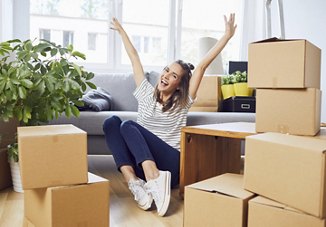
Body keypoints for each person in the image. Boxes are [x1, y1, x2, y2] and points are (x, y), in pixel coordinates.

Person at [103, 14, 237, 216]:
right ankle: (135, 183)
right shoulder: (146, 93)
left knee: (127, 125)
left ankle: (156, 178)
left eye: (173, 75)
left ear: (178, 85)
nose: (166, 76)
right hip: (141, 165)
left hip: (170, 167)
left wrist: (226, 36)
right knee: (111, 123)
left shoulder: (182, 103)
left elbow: (201, 66)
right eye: (166, 71)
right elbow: (134, 57)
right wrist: (122, 31)